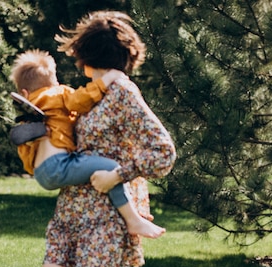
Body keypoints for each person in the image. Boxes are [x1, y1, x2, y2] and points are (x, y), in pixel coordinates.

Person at [36, 11, 176, 267]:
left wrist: (119, 172)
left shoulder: (124, 94)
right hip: (69, 214)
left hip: (106, 221)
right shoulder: (93, 90)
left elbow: (163, 152)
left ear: (86, 54)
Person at [10, 49, 165, 239]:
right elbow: (80, 100)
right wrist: (106, 80)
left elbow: (25, 152)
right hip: (58, 165)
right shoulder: (59, 93)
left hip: (41, 173)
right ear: (55, 81)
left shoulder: (31, 116)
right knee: (111, 168)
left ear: (24, 93)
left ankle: (132, 212)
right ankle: (133, 219)